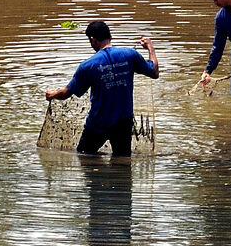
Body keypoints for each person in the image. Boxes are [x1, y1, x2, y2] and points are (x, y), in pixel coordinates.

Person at [45, 20, 158, 157]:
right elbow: (154, 72)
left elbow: (66, 93)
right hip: (123, 122)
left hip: (98, 123)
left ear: (93, 40)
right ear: (110, 36)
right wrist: (150, 48)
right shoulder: (130, 55)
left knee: (84, 157)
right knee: (122, 164)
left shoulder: (88, 66)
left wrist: (52, 94)